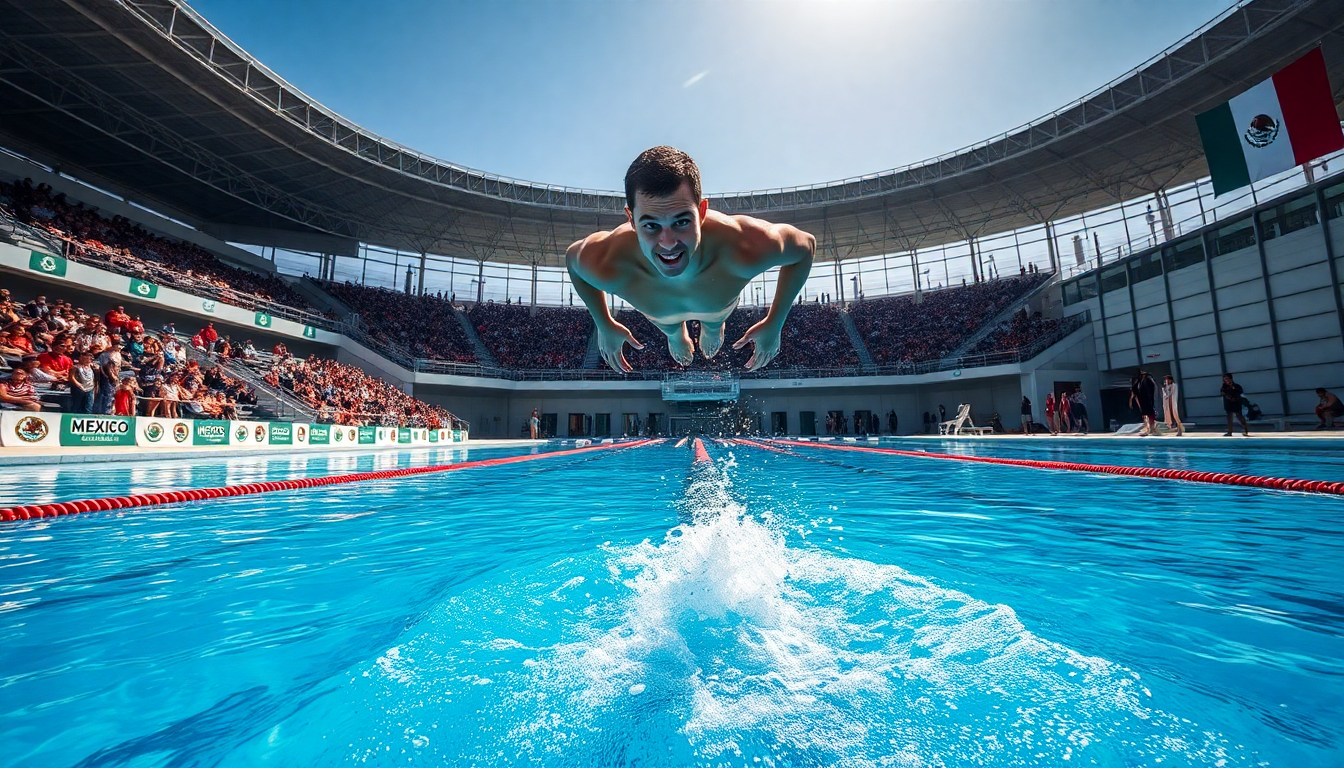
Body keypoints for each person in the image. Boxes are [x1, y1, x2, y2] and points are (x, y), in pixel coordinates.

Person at [567, 146, 815, 372]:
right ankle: (676, 335)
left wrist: (775, 323)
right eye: (651, 225)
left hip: (716, 310)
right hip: (663, 318)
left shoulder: (743, 247)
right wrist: (604, 324)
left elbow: (806, 247)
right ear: (631, 219)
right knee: (671, 328)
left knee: (714, 321)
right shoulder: (609, 260)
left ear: (702, 212)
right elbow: (573, 262)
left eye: (682, 222)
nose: (668, 243)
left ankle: (713, 328)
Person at [1130, 369, 1158, 435]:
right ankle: (1148, 428)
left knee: (1150, 413)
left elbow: (1152, 389)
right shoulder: (1139, 381)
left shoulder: (1148, 379)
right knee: (1145, 413)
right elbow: (1135, 389)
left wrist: (1151, 398)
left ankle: (1152, 428)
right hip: (1142, 399)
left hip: (1148, 399)